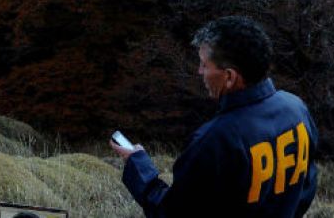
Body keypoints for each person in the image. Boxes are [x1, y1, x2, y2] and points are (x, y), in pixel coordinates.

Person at [111, 16, 319, 217]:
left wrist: (138, 165)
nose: (199, 71)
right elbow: (306, 187)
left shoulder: (215, 140)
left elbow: (170, 212)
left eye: (204, 64)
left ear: (229, 77)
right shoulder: (296, 108)